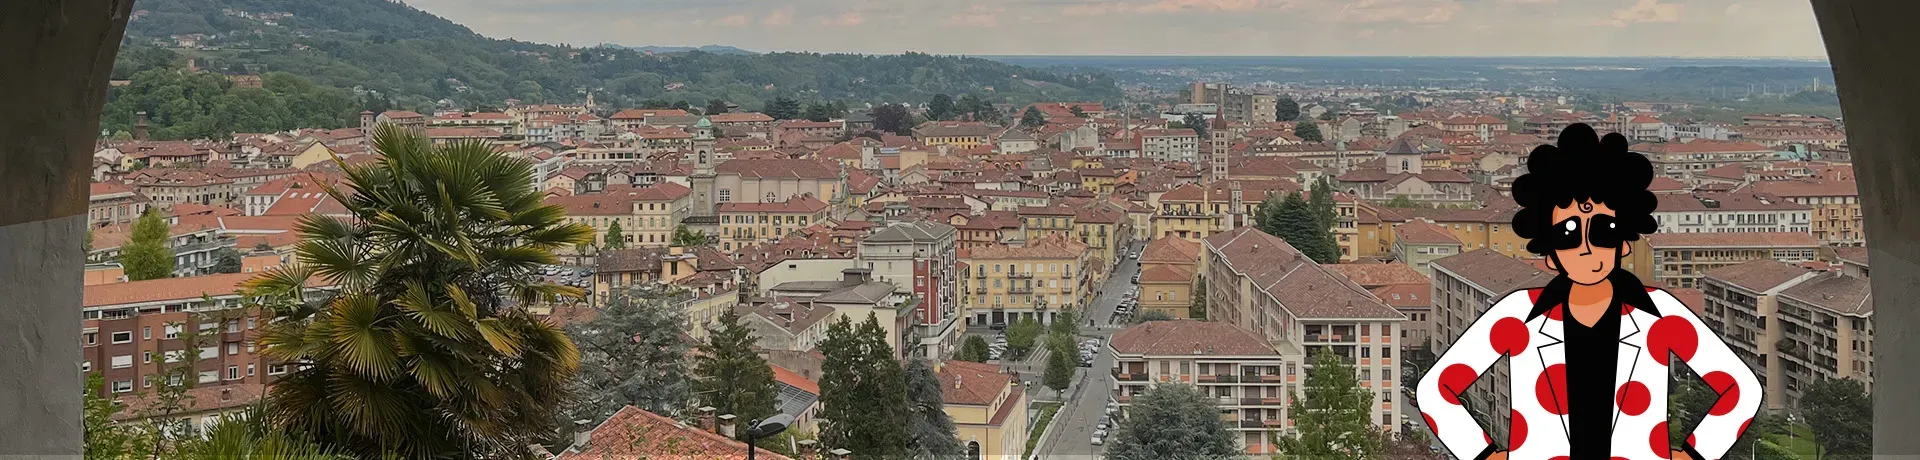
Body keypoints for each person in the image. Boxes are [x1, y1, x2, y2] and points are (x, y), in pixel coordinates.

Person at [1415, 124, 1760, 460]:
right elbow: (1436, 391)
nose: (1586, 247)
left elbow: (1741, 389)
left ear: (1623, 243)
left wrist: (1695, 454)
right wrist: (1484, 454)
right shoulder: (1518, 315)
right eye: (1568, 235)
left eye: (1603, 231)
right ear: (1549, 254)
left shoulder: (1660, 314)